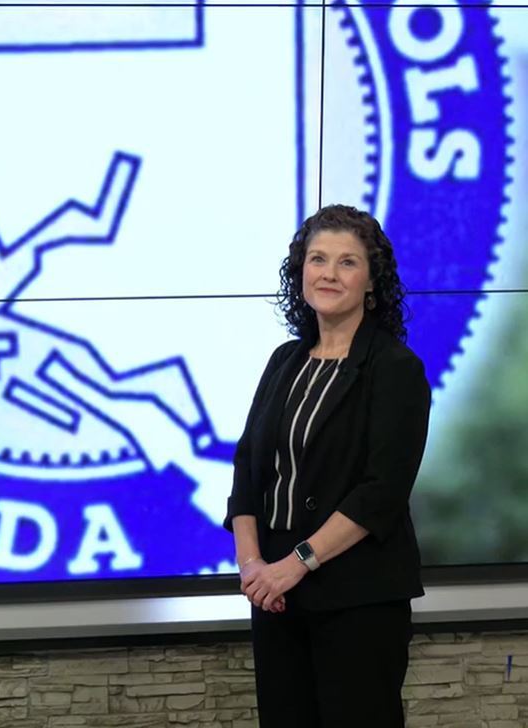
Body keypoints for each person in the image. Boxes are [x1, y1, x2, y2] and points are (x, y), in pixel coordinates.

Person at [224, 204, 431, 728]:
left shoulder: (396, 370)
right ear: (301, 274)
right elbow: (247, 471)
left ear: (371, 281)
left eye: (346, 262)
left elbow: (379, 492)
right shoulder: (284, 361)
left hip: (358, 600)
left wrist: (292, 566)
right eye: (317, 259)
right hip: (276, 599)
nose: (328, 274)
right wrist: (254, 571)